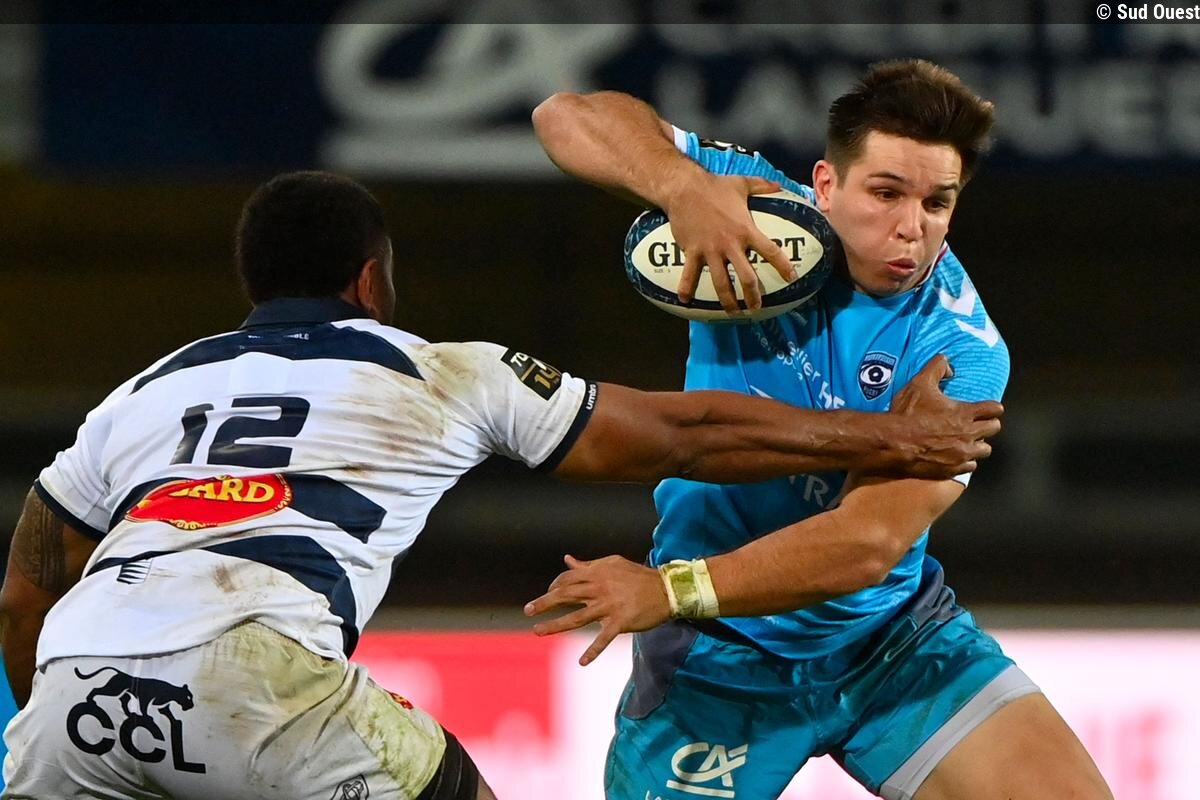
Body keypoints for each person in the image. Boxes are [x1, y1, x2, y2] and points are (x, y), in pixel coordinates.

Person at [0, 171, 1000, 800]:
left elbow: (26, 584)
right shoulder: (436, 371)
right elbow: (682, 433)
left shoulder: (145, 389)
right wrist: (891, 436)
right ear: (370, 280)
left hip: (69, 694)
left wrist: (55, 700)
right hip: (257, 671)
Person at [525, 60, 1114, 800]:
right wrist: (683, 188)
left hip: (890, 643)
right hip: (721, 651)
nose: (912, 227)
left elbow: (866, 544)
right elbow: (564, 115)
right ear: (826, 186)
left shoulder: (960, 351)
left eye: (937, 203)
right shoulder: (760, 215)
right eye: (886, 193)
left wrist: (670, 590)